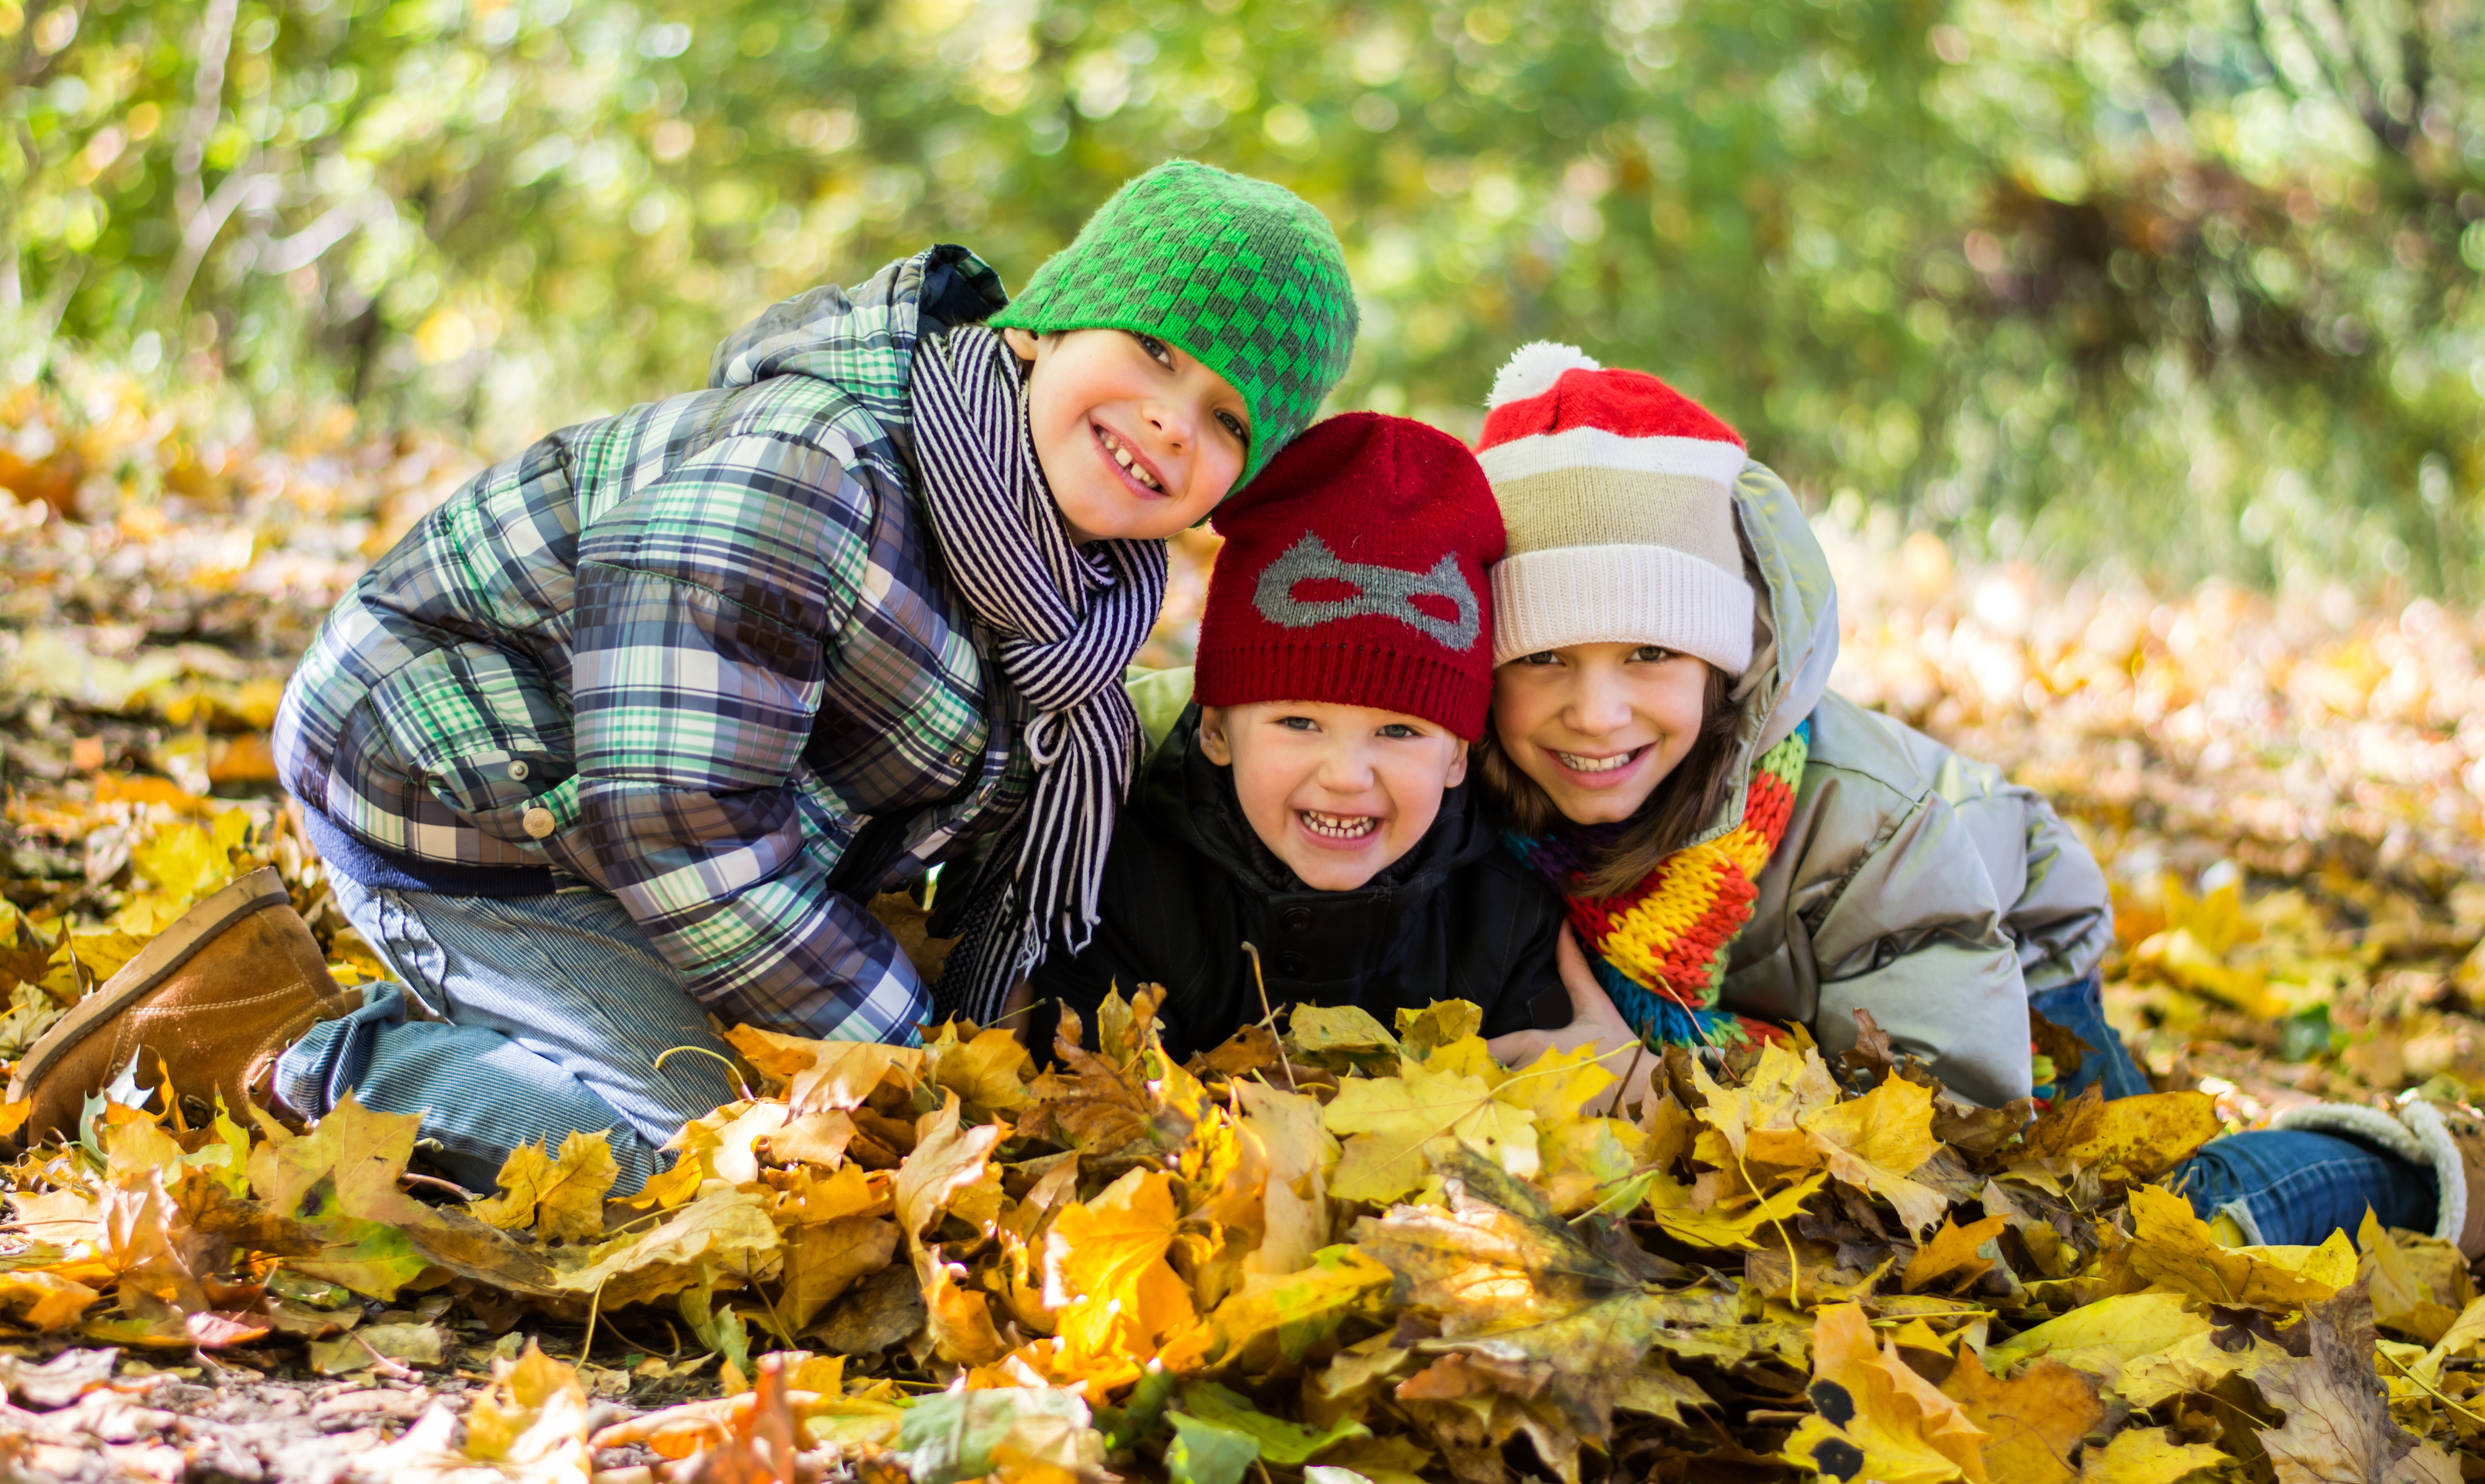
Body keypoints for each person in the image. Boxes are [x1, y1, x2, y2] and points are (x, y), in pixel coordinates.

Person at [7, 161, 1358, 1195]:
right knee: (705, 1143)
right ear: (1043, 330)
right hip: (450, 781)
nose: (1171, 419)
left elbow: (963, 824)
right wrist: (907, 1048)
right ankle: (291, 1048)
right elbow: (676, 813)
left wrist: (999, 1032)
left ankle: (497, 1021)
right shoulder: (816, 469)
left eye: (1229, 417)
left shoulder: (1077, 598)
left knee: (811, 1107)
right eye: (1154, 352)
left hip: (629, 822)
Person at [1469, 342, 2485, 1256]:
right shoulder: (1483, 794)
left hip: (2009, 977)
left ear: (1725, 662)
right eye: (1544, 656)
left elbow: (1951, 1126)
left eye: (1649, 653)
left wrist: (1665, 1084)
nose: (1595, 713)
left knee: (2117, 1228)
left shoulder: (1868, 825)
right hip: (1819, 1008)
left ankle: (2417, 1169)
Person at [1018, 412, 1570, 1062]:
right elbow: (1086, 1108)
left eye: (1399, 730)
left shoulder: (1505, 918)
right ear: (1218, 731)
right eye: (1300, 723)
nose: (1346, 775)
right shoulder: (1119, 883)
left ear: (1458, 755)